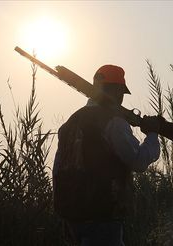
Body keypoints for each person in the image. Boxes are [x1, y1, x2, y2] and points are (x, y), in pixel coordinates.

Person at [53, 64, 161, 245]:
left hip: (71, 217)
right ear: (117, 91)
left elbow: (58, 170)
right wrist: (152, 134)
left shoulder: (69, 123)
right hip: (102, 216)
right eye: (121, 93)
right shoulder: (114, 121)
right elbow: (139, 161)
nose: (121, 99)